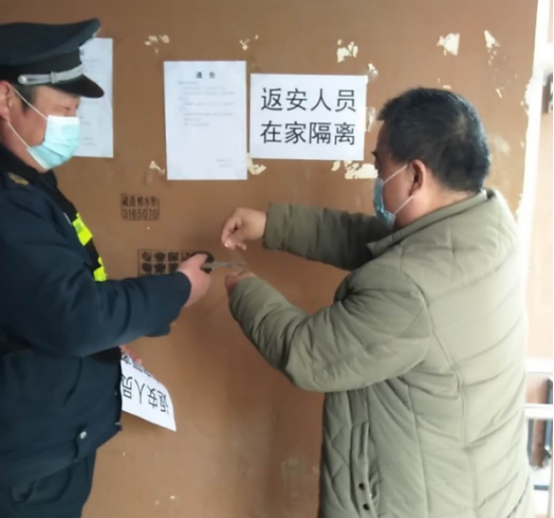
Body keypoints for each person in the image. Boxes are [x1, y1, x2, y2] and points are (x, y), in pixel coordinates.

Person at [221, 88, 532, 518]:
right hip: (488, 490)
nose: (376, 177)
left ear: (416, 176)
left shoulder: (409, 289)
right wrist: (274, 224)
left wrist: (243, 288)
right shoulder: (487, 224)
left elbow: (308, 353)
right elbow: (376, 242)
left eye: (380, 167)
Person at [0, 19, 211, 518]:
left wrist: (106, 339)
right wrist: (179, 288)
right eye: (63, 110)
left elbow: (51, 301)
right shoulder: (9, 200)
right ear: (7, 99)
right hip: (23, 472)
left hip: (44, 448)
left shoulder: (30, 185)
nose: (71, 124)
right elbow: (78, 316)